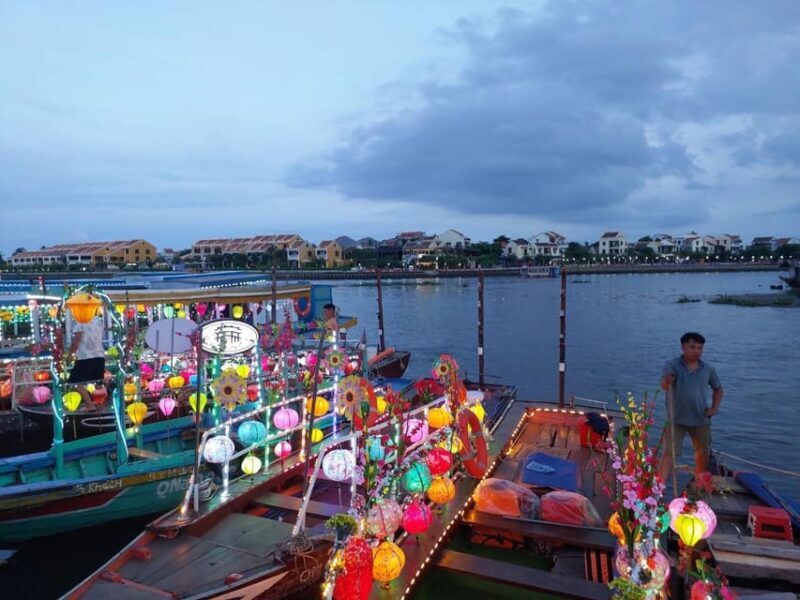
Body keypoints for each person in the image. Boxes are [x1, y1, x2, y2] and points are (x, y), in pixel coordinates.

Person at [658, 332, 723, 482]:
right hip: (676, 418)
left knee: (703, 453)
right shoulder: (672, 365)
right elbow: (664, 384)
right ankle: (659, 487)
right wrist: (667, 380)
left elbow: (718, 389)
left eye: (700, 348)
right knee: (669, 452)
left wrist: (715, 408)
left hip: (701, 418)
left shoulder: (708, 369)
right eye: (692, 347)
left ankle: (698, 485)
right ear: (683, 347)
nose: (696, 351)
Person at [67, 311, 106, 406]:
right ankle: (100, 404)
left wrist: (70, 355)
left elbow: (76, 341)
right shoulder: (98, 321)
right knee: (98, 383)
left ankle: (90, 404)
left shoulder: (79, 322)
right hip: (99, 355)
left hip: (86, 356)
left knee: (75, 382)